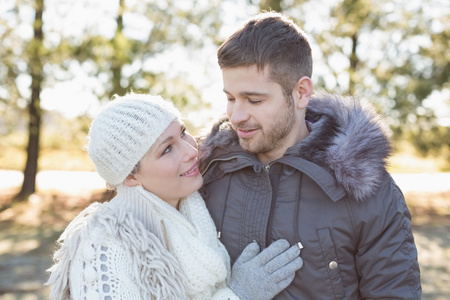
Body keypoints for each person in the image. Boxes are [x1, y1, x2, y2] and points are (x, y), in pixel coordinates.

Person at [198, 11, 421, 299]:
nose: (236, 115)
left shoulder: (367, 189)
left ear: (301, 92)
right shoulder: (206, 175)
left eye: (254, 99)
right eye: (230, 98)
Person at [45, 92, 303, 299]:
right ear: (131, 176)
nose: (191, 150)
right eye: (167, 149)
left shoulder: (195, 208)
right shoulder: (106, 245)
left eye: (182, 133)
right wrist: (238, 294)